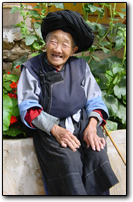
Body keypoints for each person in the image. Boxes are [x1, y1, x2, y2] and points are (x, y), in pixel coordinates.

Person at [17, 10, 118, 195]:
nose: (57, 49)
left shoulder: (81, 67)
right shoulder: (32, 69)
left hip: (84, 123)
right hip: (51, 128)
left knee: (97, 153)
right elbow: (28, 107)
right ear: (46, 43)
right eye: (53, 42)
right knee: (67, 161)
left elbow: (95, 99)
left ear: (74, 50)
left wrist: (92, 126)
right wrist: (56, 129)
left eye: (65, 44)